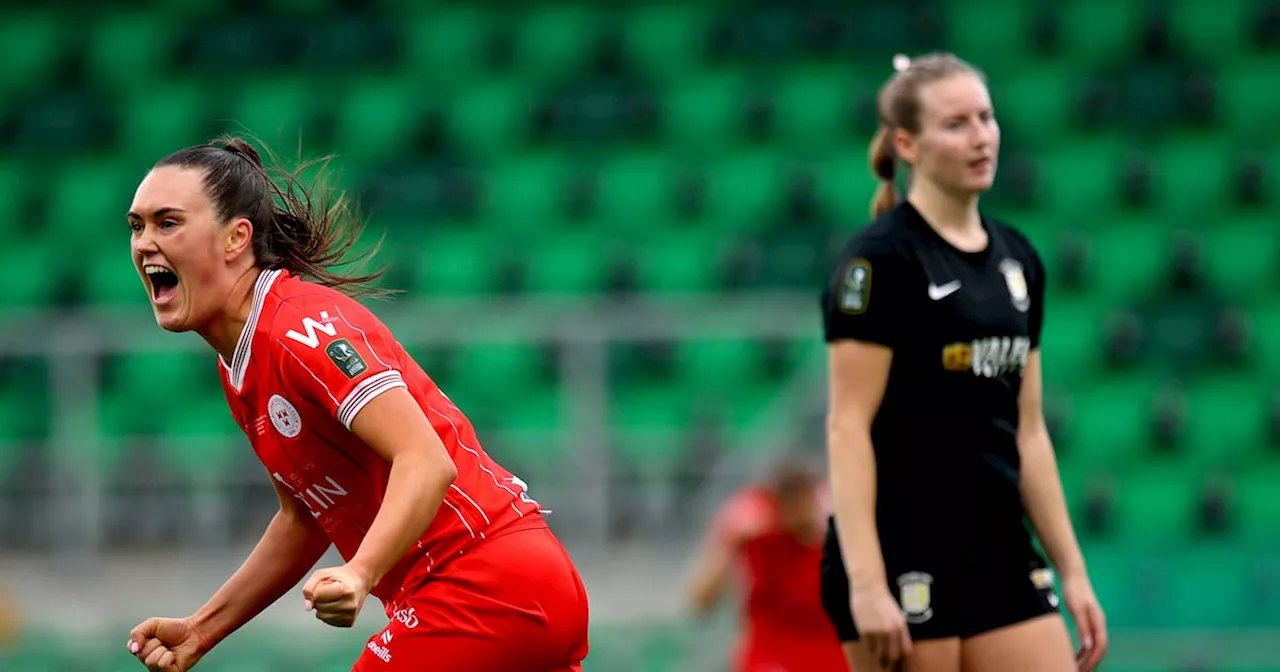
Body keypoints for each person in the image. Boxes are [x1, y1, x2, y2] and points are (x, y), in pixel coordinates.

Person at [122, 137, 590, 672]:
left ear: (236, 238)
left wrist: (359, 571)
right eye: (137, 226)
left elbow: (425, 459)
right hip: (500, 589)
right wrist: (202, 631)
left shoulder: (299, 329)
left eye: (167, 223)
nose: (144, 243)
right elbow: (305, 519)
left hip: (484, 583)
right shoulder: (241, 362)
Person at [818, 53, 1108, 672]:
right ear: (907, 144)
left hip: (1000, 553)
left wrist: (1073, 571)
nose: (981, 136)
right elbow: (847, 427)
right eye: (956, 124)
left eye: (986, 117)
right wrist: (866, 584)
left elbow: (1028, 432)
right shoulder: (880, 262)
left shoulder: (1019, 259)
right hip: (903, 555)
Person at [686, 459, 848, 672]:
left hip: (831, 659)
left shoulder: (839, 536)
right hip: (770, 658)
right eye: (788, 500)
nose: (796, 509)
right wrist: (728, 542)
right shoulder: (757, 537)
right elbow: (700, 601)